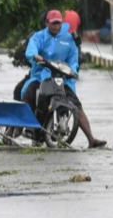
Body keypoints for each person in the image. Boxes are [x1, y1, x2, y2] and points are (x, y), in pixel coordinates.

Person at [23, 10, 106, 148]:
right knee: (29, 94)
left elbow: (74, 60)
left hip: (63, 78)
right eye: (53, 23)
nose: (56, 26)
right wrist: (35, 56)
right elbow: (31, 49)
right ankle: (24, 128)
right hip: (42, 75)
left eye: (59, 23)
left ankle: (91, 139)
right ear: (47, 23)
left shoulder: (69, 39)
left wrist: (73, 71)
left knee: (76, 104)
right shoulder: (39, 36)